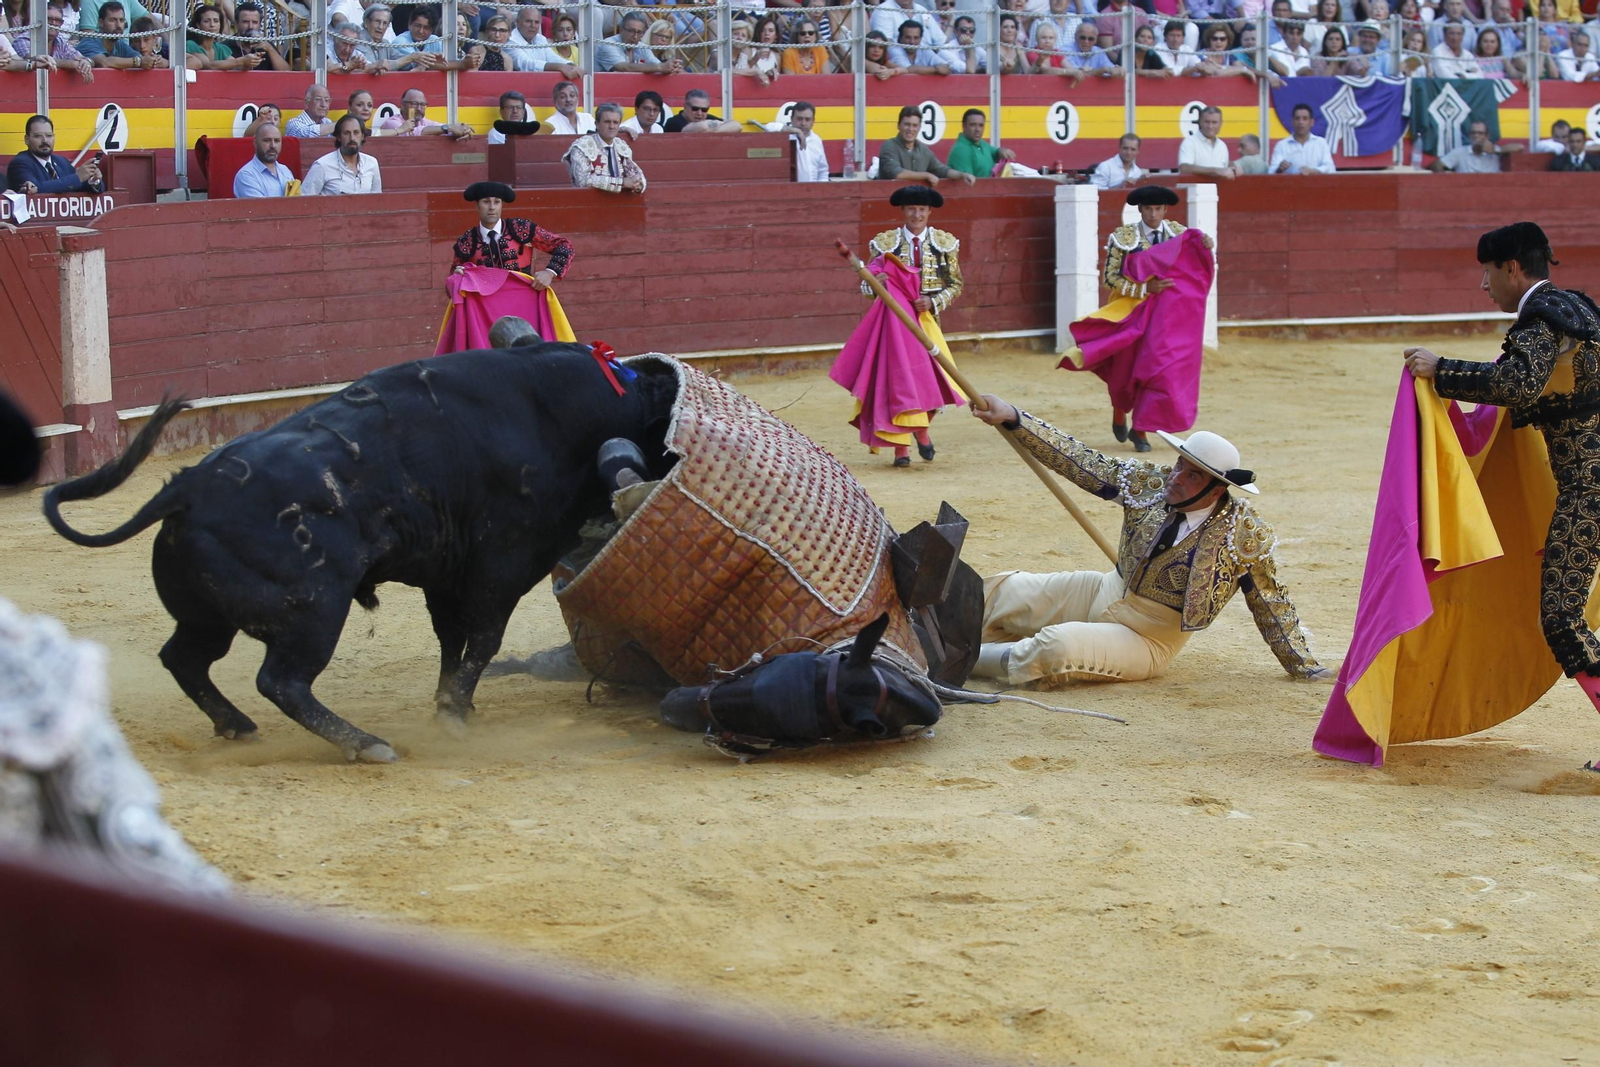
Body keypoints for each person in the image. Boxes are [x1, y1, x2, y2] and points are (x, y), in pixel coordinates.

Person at [1402, 223, 1600, 770]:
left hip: (1592, 488)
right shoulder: (1579, 310)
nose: (1484, 285)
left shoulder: (1544, 320)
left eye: (1487, 272)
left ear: (1512, 267)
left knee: (1562, 618)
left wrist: (1443, 370)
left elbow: (1516, 385)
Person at [964, 405, 1332, 687]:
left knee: (1057, 647)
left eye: (1192, 476)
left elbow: (1271, 604)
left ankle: (961, 660)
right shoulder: (1151, 484)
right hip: (1107, 588)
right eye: (1178, 466)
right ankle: (922, 628)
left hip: (1148, 638)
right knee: (1004, 590)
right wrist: (1014, 417)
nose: (1176, 479)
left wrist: (1306, 667)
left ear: (1216, 490)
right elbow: (1082, 462)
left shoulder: (1243, 536)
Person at [1062, 186, 1215, 452]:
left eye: (1158, 209)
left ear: (1166, 210)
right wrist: (1145, 289)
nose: (1153, 214)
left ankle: (1141, 429)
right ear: (1140, 209)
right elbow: (1110, 279)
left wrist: (1206, 244)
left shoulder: (1180, 236)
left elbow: (1196, 263)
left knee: (1160, 370)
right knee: (1126, 370)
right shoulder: (1123, 237)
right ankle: (1119, 412)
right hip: (1131, 314)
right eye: (1148, 209)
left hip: (1166, 320)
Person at [830, 185, 965, 467]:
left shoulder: (945, 243)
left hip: (928, 321)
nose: (917, 214)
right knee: (897, 383)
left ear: (929, 212)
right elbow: (868, 287)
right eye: (912, 209)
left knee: (933, 382)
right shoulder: (884, 244)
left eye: (922, 209)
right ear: (903, 211)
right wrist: (875, 285)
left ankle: (921, 431)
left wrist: (933, 301)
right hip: (893, 323)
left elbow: (956, 285)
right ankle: (902, 449)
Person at [450, 180, 575, 282]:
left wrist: (550, 272)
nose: (492, 207)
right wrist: (456, 279)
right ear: (477, 205)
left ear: (502, 205)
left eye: (497, 202)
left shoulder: (520, 229)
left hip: (522, 301)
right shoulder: (467, 241)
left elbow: (564, 245)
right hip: (485, 307)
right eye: (486, 202)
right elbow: (451, 288)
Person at [878, 105, 976, 185]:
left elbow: (942, 170)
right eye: (907, 124)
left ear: (919, 127)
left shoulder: (923, 149)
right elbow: (897, 174)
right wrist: (926, 175)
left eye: (915, 125)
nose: (910, 129)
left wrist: (963, 175)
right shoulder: (889, 146)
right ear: (898, 125)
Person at [564, 103, 647, 194]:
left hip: (620, 205)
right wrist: (622, 183)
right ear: (597, 124)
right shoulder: (582, 147)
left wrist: (638, 185)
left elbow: (637, 175)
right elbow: (583, 181)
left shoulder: (621, 146)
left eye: (615, 122)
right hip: (588, 204)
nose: (612, 126)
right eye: (607, 122)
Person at [7, 114, 102, 194]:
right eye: (37, 136)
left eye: (49, 135)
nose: (45, 140)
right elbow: (35, 189)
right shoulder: (20, 163)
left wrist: (93, 180)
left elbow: (78, 184)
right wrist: (77, 177)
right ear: (27, 139)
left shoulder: (62, 162)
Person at [301, 114, 382, 195]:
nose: (352, 138)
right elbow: (304, 200)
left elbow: (377, 201)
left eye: (356, 132)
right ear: (339, 137)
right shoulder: (322, 165)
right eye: (346, 133)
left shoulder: (372, 163)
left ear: (362, 136)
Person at [78, 1, 165, 69]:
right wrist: (139, 62)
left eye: (121, 20)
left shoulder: (119, 44)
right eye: (112, 20)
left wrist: (156, 61)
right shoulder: (90, 42)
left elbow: (142, 59)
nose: (118, 25)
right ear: (101, 22)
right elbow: (104, 62)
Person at [185, 3, 258, 70]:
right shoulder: (191, 45)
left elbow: (236, 68)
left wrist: (249, 62)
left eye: (216, 21)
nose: (212, 25)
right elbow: (209, 66)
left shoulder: (221, 48)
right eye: (207, 21)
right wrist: (242, 60)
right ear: (198, 25)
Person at [946, 108, 1015, 179]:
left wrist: (1002, 151)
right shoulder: (961, 150)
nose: (977, 129)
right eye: (973, 125)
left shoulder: (980, 143)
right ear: (964, 126)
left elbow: (996, 153)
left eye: (981, 125)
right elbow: (967, 185)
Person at [380, 87, 473, 138]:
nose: (419, 108)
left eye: (423, 105)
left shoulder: (423, 121)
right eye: (414, 104)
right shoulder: (391, 123)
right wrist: (449, 128)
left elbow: (442, 129)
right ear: (403, 105)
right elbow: (412, 134)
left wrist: (462, 130)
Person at [1269, 103, 1336, 174]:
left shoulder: (1321, 143)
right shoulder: (1282, 145)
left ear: (1312, 122)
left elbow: (1330, 168)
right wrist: (1279, 169)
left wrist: (1313, 171)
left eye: (1305, 118)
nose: (1301, 122)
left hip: (1316, 184)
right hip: (1290, 184)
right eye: (1297, 118)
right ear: (1292, 122)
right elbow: (1271, 172)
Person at [1428, 119, 1516, 172]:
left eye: (1480, 133)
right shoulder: (1460, 153)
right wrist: (1445, 173)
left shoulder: (1495, 151)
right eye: (1473, 133)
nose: (1476, 136)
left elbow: (1520, 147)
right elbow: (1436, 165)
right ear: (1469, 135)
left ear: (1487, 136)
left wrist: (1496, 151)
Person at [232, 123, 293, 198]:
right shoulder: (246, 175)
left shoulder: (285, 170)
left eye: (277, 141)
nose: (273, 146)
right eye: (267, 140)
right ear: (255, 142)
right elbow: (261, 208)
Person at [1178, 106, 1239, 180]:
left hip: (1219, 190)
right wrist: (1216, 170)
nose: (1210, 126)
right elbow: (1184, 168)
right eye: (1207, 122)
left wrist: (1235, 169)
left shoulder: (1222, 146)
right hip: (1195, 190)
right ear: (1200, 122)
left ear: (1220, 124)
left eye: (1214, 122)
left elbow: (1225, 169)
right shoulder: (1190, 142)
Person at [231, 1, 290, 71]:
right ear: (236, 23)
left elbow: (286, 72)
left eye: (255, 22)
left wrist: (270, 49)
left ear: (260, 25)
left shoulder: (266, 45)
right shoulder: (226, 46)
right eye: (246, 22)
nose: (250, 26)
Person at [786, 100, 830, 182]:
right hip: (791, 191)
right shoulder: (785, 137)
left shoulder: (816, 140)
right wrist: (796, 131)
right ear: (792, 119)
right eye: (799, 119)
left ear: (813, 121)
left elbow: (823, 171)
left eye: (807, 119)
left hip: (813, 191)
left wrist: (821, 191)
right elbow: (769, 127)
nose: (803, 123)